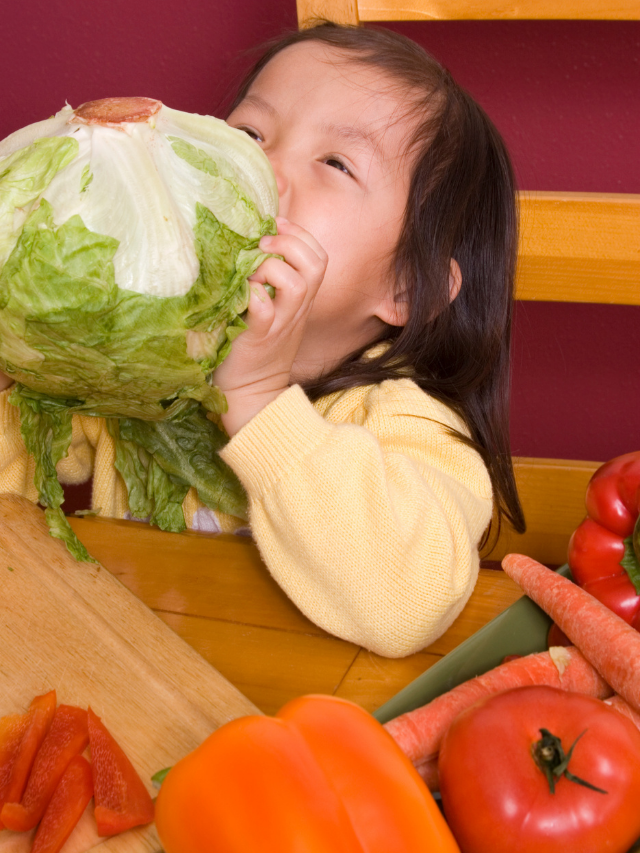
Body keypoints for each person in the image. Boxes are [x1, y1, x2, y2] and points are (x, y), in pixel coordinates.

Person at [0, 23, 525, 657]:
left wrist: (256, 397)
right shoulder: (133, 372)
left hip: (298, 730)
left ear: (409, 288)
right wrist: (31, 338)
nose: (261, 171)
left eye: (335, 162)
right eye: (249, 135)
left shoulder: (405, 423)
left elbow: (407, 604)